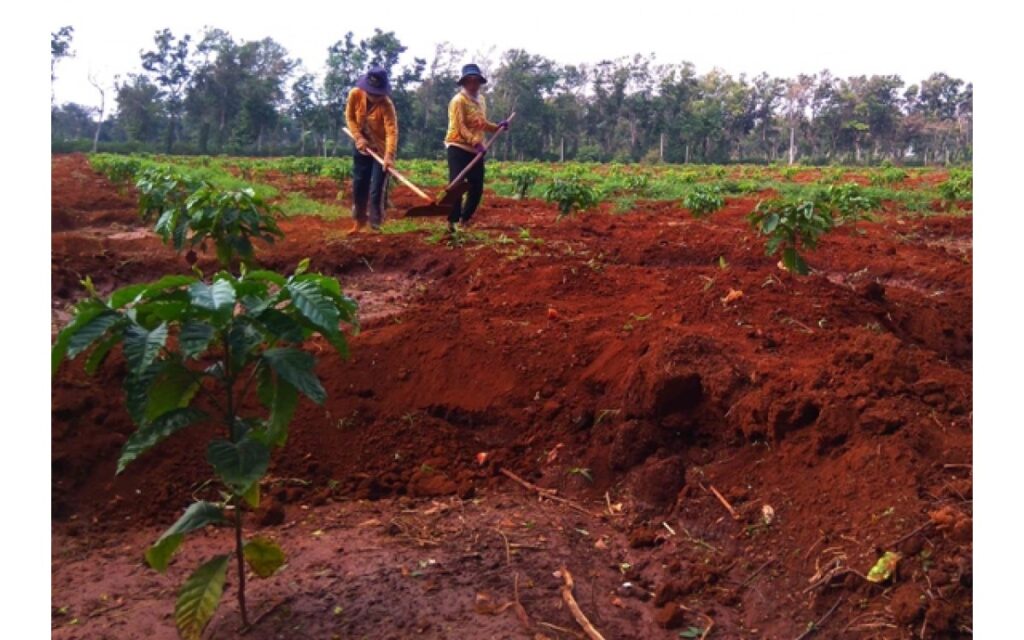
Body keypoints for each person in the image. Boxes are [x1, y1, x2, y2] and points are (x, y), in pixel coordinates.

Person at [444, 63, 510, 232]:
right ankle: (451, 222)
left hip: (476, 149)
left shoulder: (481, 100)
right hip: (458, 146)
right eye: (470, 81)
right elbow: (460, 127)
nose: (473, 84)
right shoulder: (457, 101)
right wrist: (475, 142)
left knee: (477, 187)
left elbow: (481, 123)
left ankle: (464, 219)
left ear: (480, 82)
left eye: (476, 81)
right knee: (457, 185)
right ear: (464, 82)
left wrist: (496, 127)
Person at [345, 65, 399, 233]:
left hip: (381, 151)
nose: (375, 97)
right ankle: (359, 221)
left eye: (378, 94)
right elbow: (350, 117)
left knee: (376, 189)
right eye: (372, 92)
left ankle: (376, 225)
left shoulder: (387, 105)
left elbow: (391, 131)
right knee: (359, 184)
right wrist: (359, 138)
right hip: (362, 147)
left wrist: (389, 156)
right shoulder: (355, 94)